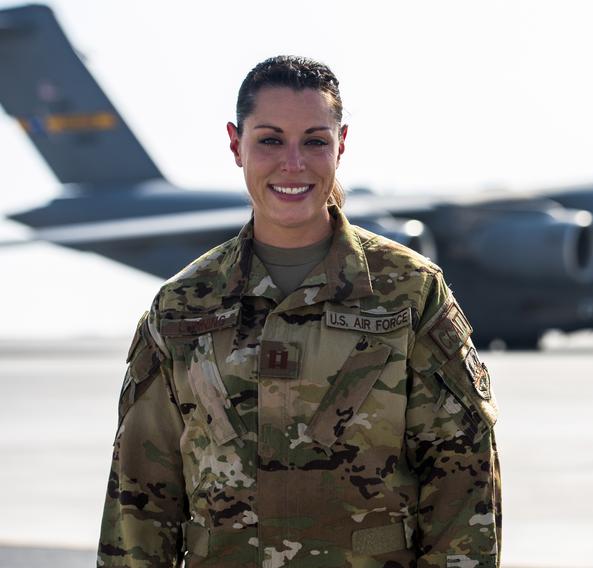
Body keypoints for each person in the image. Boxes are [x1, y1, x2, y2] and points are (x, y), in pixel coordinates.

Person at [97, 56, 501, 568]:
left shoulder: (407, 292)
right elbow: (140, 497)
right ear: (234, 143)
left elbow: (462, 483)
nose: (294, 163)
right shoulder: (182, 306)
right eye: (269, 139)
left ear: (341, 145)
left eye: (314, 140)